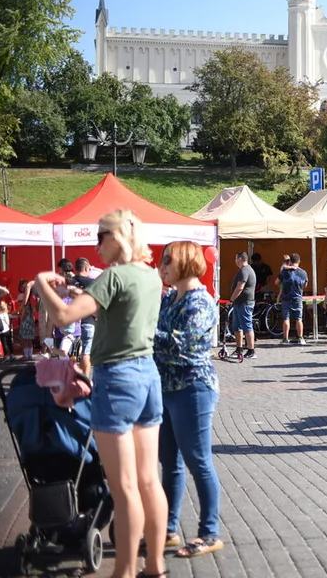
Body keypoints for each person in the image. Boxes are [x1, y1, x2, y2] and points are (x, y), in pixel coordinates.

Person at [32, 209, 168, 578]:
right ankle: (155, 566)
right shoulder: (149, 276)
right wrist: (86, 293)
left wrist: (40, 284)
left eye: (99, 237)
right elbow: (122, 311)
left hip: (117, 379)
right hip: (147, 377)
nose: (96, 245)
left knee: (123, 487)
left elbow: (62, 318)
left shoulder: (113, 277)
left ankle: (122, 571)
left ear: (116, 237)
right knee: (148, 481)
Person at [154, 241, 224, 558]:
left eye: (167, 260)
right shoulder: (170, 297)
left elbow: (182, 347)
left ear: (182, 262)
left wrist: (141, 331)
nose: (162, 265)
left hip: (193, 388)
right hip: (167, 389)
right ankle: (167, 530)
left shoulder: (200, 301)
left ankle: (209, 534)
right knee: (170, 463)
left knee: (198, 462)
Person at [70, 258, 98, 375]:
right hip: (88, 321)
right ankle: (85, 380)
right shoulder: (92, 282)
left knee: (71, 353)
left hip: (71, 322)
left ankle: (72, 380)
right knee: (86, 352)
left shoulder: (69, 282)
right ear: (86, 268)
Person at [278, 253, 309, 347]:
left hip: (286, 297)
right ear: (299, 261)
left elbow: (277, 282)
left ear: (290, 261)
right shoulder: (303, 272)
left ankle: (285, 339)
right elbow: (305, 285)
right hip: (298, 298)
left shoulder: (284, 272)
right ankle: (300, 338)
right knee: (299, 319)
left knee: (286, 318)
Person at [229, 252, 256, 359]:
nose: (235, 261)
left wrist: (231, 299)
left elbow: (240, 287)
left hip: (245, 303)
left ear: (240, 259)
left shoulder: (244, 270)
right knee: (237, 327)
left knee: (247, 326)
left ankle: (251, 350)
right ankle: (239, 348)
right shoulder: (245, 270)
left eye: (236, 258)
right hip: (239, 303)